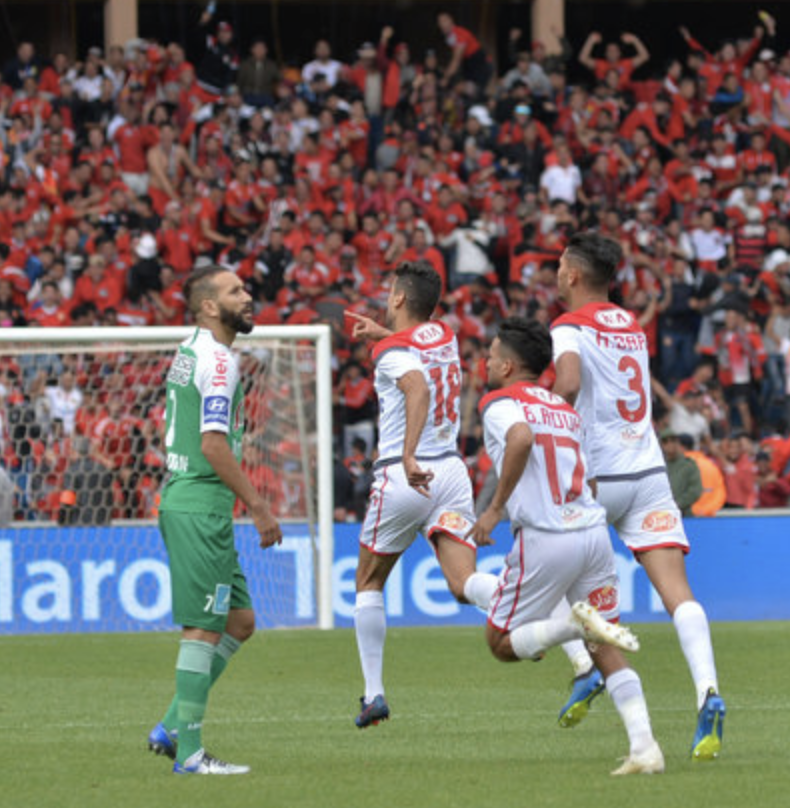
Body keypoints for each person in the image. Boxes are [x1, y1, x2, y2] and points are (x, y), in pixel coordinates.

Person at [551, 232, 725, 760]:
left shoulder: (568, 326)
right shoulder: (629, 323)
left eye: (559, 266)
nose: (555, 274)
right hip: (648, 472)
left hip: (597, 477)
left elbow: (569, 383)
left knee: (547, 566)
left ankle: (585, 667)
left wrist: (542, 418)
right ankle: (708, 691)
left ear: (574, 274)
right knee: (679, 594)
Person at [468, 317, 663, 776]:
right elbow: (589, 480)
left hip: (546, 536)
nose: (486, 363)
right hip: (592, 533)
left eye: (492, 356)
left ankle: (571, 627)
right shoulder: (564, 409)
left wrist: (494, 509)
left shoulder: (499, 402)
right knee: (605, 646)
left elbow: (520, 437)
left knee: (500, 643)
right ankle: (645, 748)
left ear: (509, 365)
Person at [346, 260, 498, 728]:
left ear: (397, 298)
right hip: (451, 472)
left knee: (369, 582)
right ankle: (552, 620)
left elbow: (416, 387)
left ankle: (374, 694)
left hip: (404, 475)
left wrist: (408, 454)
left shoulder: (389, 352)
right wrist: (380, 333)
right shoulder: (445, 334)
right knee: (463, 584)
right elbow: (416, 351)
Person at [147, 265, 282, 775]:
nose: (247, 297)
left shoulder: (192, 350)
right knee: (203, 630)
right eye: (235, 291)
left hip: (195, 502)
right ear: (208, 306)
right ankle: (189, 754)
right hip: (200, 505)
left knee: (239, 623)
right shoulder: (220, 363)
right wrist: (258, 505)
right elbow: (213, 445)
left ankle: (170, 726)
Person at [660, 429, 703, 517]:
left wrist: (676, 505)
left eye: (673, 440)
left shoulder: (689, 465)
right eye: (665, 441)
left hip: (684, 514)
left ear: (678, 443)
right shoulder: (658, 466)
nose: (669, 444)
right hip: (660, 515)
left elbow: (695, 491)